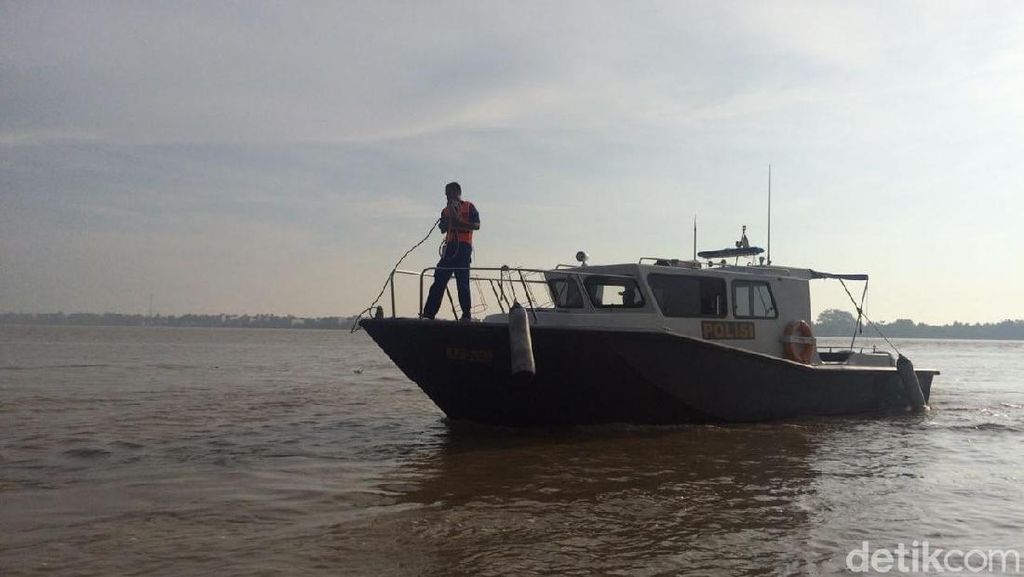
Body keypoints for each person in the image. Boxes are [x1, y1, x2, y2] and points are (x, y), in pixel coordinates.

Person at [421, 181, 480, 320]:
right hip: (449, 248)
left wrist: (459, 222)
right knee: (439, 280)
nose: (446, 196)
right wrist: (446, 222)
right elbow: (442, 228)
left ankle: (466, 315)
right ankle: (428, 314)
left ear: (455, 192)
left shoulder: (469, 207)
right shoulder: (445, 210)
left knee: (462, 283)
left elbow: (477, 226)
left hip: (464, 248)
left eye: (448, 193)